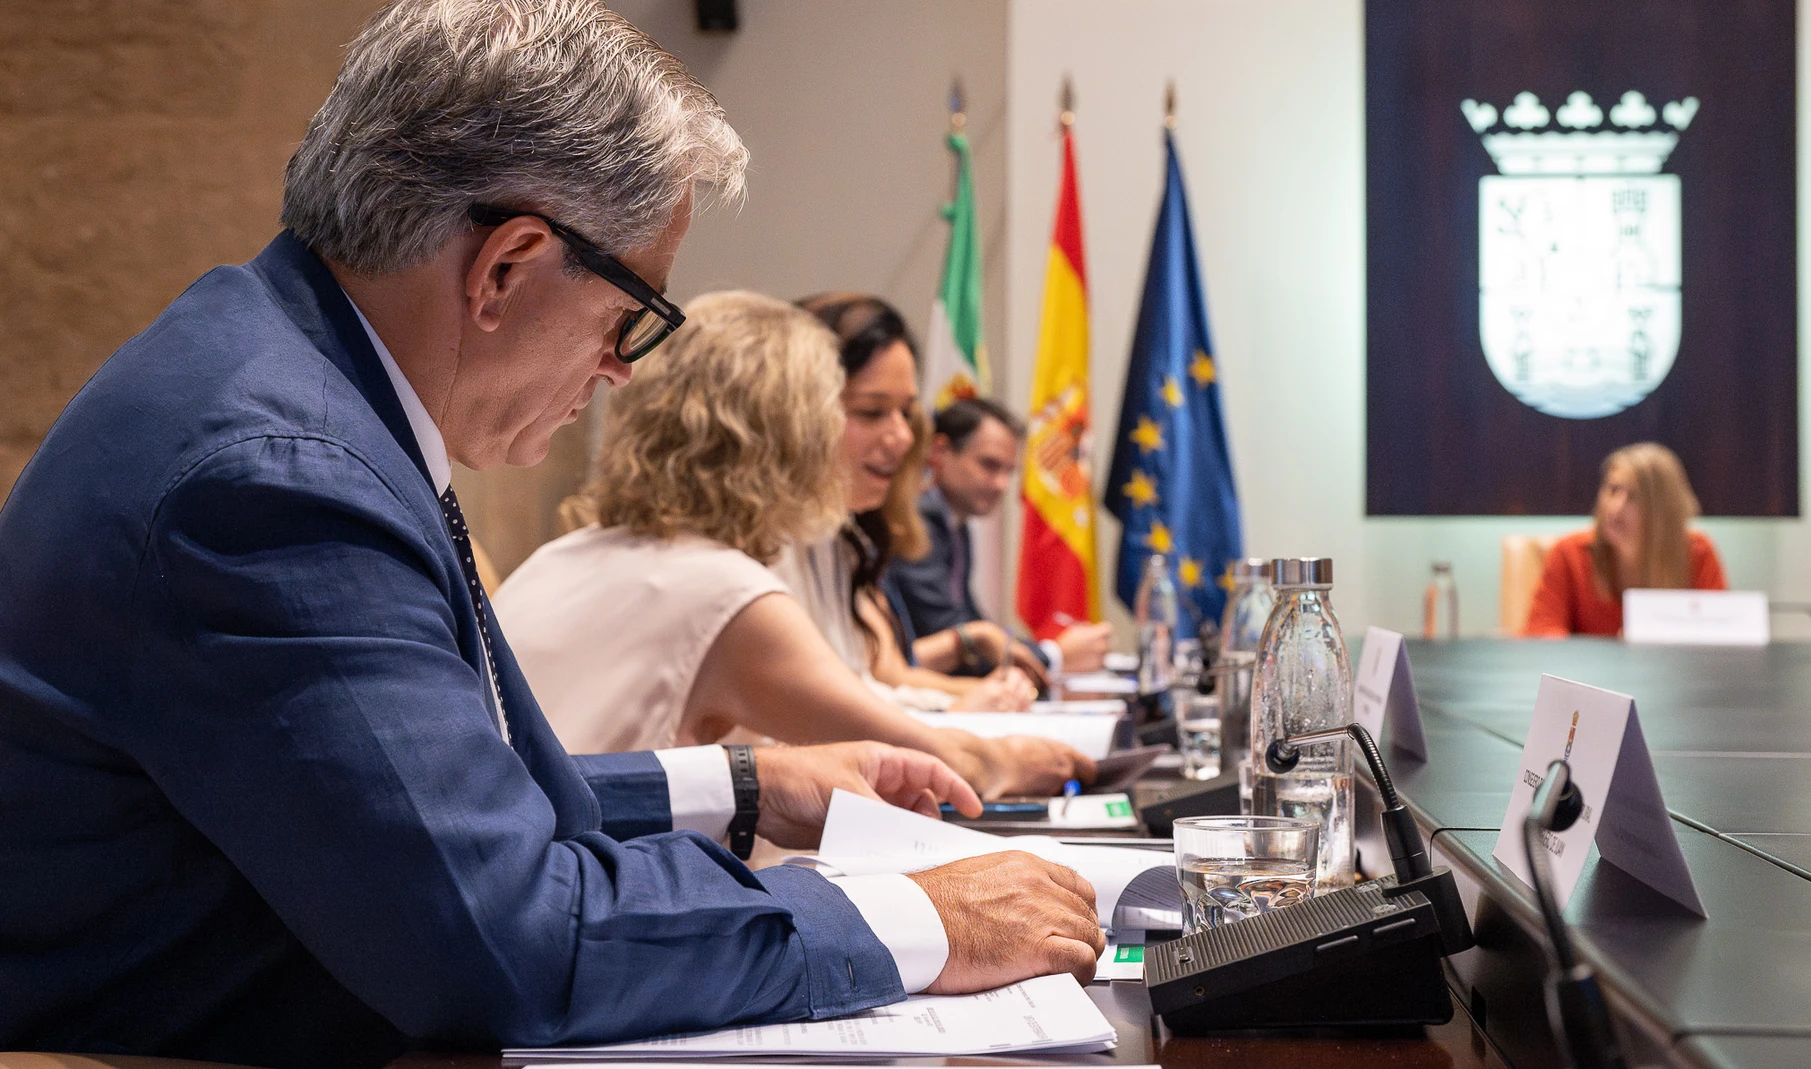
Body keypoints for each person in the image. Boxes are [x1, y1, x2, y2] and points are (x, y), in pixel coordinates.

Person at [0, 4, 1102, 1066]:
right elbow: (506, 939)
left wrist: (744, 783)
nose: (621, 368)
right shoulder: (278, 478)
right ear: (507, 267)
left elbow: (415, 801)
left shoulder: (286, 381)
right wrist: (912, 923)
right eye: (633, 315)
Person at [494, 290, 1092, 798]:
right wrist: (1028, 760)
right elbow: (936, 763)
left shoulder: (561, 557)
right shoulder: (726, 591)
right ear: (789, 435)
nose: (900, 439)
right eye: (849, 413)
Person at [787, 293, 1044, 707]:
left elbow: (872, 684)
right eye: (873, 412)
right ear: (794, 412)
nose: (905, 438)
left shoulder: (841, 540)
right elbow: (817, 715)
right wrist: (962, 711)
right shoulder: (769, 548)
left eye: (907, 413)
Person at [887, 397, 1114, 677]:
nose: (1002, 485)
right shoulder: (917, 520)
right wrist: (1052, 655)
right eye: (989, 465)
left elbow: (973, 623)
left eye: (1009, 471)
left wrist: (1037, 651)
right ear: (940, 450)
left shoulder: (954, 523)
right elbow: (947, 630)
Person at [1522, 442, 1728, 637]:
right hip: (1587, 674)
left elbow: (1720, 638)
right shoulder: (1569, 553)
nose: (1616, 507)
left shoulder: (1697, 552)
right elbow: (1541, 635)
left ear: (1664, 509)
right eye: (1612, 490)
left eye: (1634, 496)